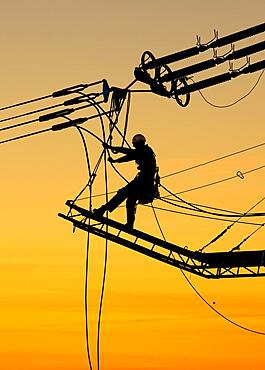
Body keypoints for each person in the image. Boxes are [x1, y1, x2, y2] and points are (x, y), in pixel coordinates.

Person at [93, 134, 158, 228]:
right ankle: (129, 224)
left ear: (138, 143)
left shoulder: (143, 151)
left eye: (134, 144)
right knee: (130, 200)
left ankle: (102, 210)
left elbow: (128, 153)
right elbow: (130, 154)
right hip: (146, 183)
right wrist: (115, 157)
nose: (134, 145)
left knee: (122, 193)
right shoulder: (145, 151)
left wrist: (112, 151)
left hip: (143, 181)